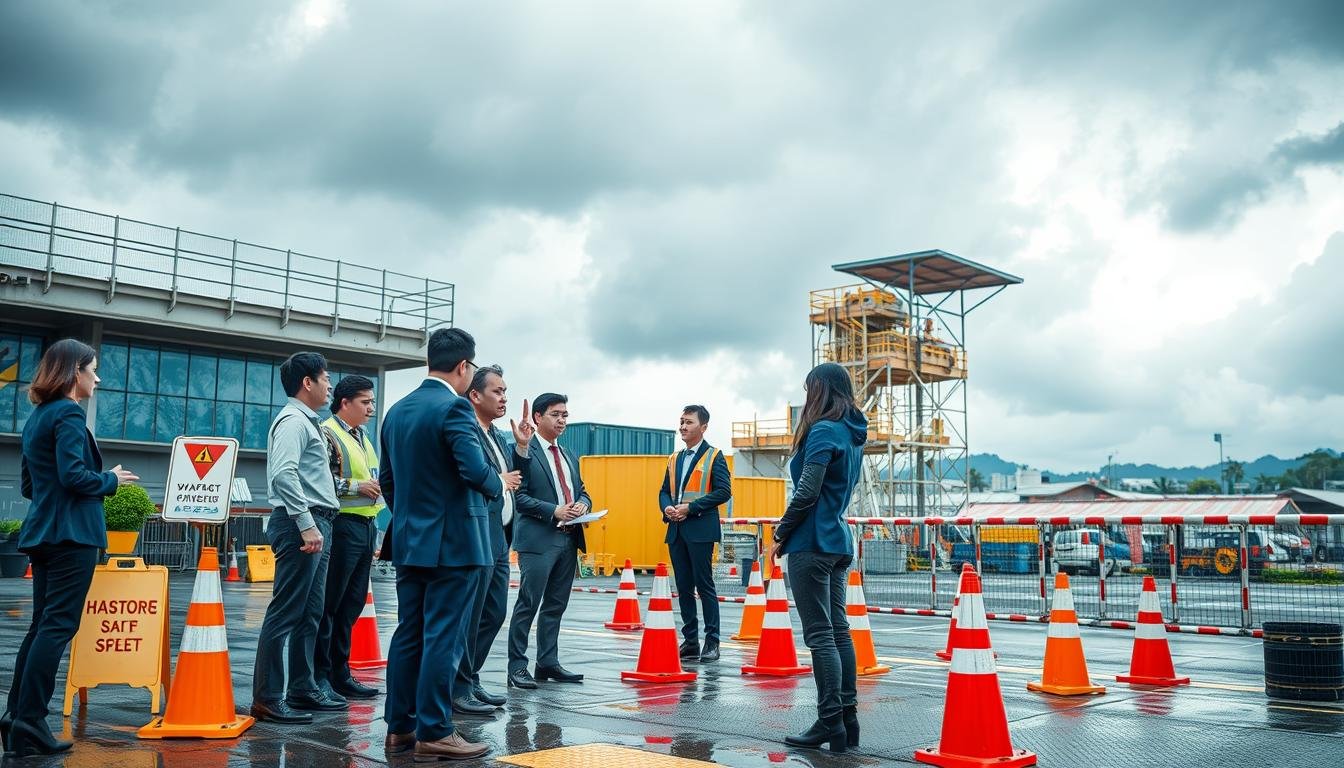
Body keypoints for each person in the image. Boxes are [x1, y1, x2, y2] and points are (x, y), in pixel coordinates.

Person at [379, 328, 518, 762]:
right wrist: (499, 484)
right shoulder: (454, 408)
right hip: (456, 544)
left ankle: (399, 728)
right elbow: (476, 472)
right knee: (445, 636)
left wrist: (410, 518)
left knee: (409, 634)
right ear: (463, 367)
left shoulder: (396, 411)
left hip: (410, 541)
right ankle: (436, 729)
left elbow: (388, 480)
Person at [4, 339, 138, 757]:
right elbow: (75, 476)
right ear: (73, 372)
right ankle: (28, 721)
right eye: (92, 369)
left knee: (42, 626)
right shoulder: (67, 413)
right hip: (72, 536)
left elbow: (31, 485)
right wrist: (111, 479)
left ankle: (16, 718)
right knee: (58, 627)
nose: (97, 378)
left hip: (44, 533)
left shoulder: (38, 417)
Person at [770, 362, 866, 753]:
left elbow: (806, 492)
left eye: (809, 388)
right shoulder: (853, 433)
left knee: (820, 635)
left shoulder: (823, 430)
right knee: (838, 631)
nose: (806, 395)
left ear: (820, 390)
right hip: (839, 541)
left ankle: (829, 722)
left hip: (812, 541)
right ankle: (847, 720)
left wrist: (781, 532)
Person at [252, 351, 343, 724]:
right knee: (286, 610)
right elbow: (283, 475)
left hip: (317, 521)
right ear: (308, 382)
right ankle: (268, 697)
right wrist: (306, 524)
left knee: (310, 611)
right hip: (299, 523)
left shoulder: (309, 421)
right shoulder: (293, 421)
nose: (329, 386)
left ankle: (302, 687)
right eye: (325, 379)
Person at [452, 365, 533, 716]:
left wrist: (522, 447)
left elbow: (515, 480)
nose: (504, 398)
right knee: (469, 615)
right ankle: (458, 687)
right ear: (475, 395)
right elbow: (475, 478)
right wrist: (496, 476)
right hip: (477, 533)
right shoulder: (466, 430)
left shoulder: (498, 435)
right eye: (497, 391)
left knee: (494, 611)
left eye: (505, 391)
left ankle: (469, 678)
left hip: (500, 537)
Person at [507, 393, 590, 688]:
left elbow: (582, 491)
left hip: (569, 538)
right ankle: (517, 667)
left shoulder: (568, 454)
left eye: (565, 415)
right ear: (538, 417)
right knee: (528, 604)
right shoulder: (524, 451)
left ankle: (547, 662)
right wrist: (553, 510)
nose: (562, 420)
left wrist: (583, 505)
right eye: (556, 414)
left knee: (556, 604)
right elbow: (520, 495)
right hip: (539, 539)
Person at [314, 374, 384, 702]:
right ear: (345, 403)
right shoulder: (328, 433)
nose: (371, 408)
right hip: (341, 526)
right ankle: (321, 676)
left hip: (365, 527)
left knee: (351, 605)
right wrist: (357, 487)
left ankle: (341, 673)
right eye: (365, 402)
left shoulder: (362, 436)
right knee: (331, 604)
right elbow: (321, 480)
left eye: (372, 402)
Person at [658, 404, 731, 663]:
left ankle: (712, 642)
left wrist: (692, 508)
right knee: (684, 588)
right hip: (676, 529)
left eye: (688, 422)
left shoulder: (715, 456)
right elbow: (664, 491)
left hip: (700, 529)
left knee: (705, 586)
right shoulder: (674, 459)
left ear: (703, 427)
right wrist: (667, 507)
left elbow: (724, 491)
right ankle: (690, 641)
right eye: (681, 421)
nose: (683, 426)